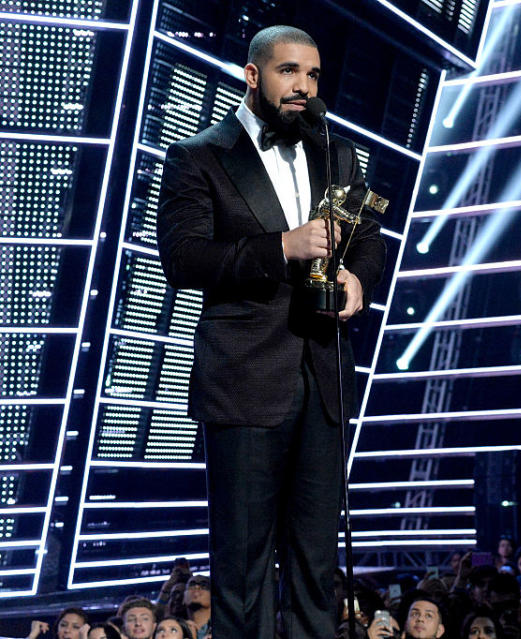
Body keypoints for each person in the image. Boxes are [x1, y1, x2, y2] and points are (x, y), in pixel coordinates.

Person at [156, 24, 385, 639]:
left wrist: (359, 280)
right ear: (253, 75)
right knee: (244, 567)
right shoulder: (201, 154)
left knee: (317, 565)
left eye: (312, 76)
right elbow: (182, 258)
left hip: (326, 374)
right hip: (246, 379)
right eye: (289, 72)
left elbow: (367, 239)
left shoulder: (334, 151)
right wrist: (279, 247)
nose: (303, 88)